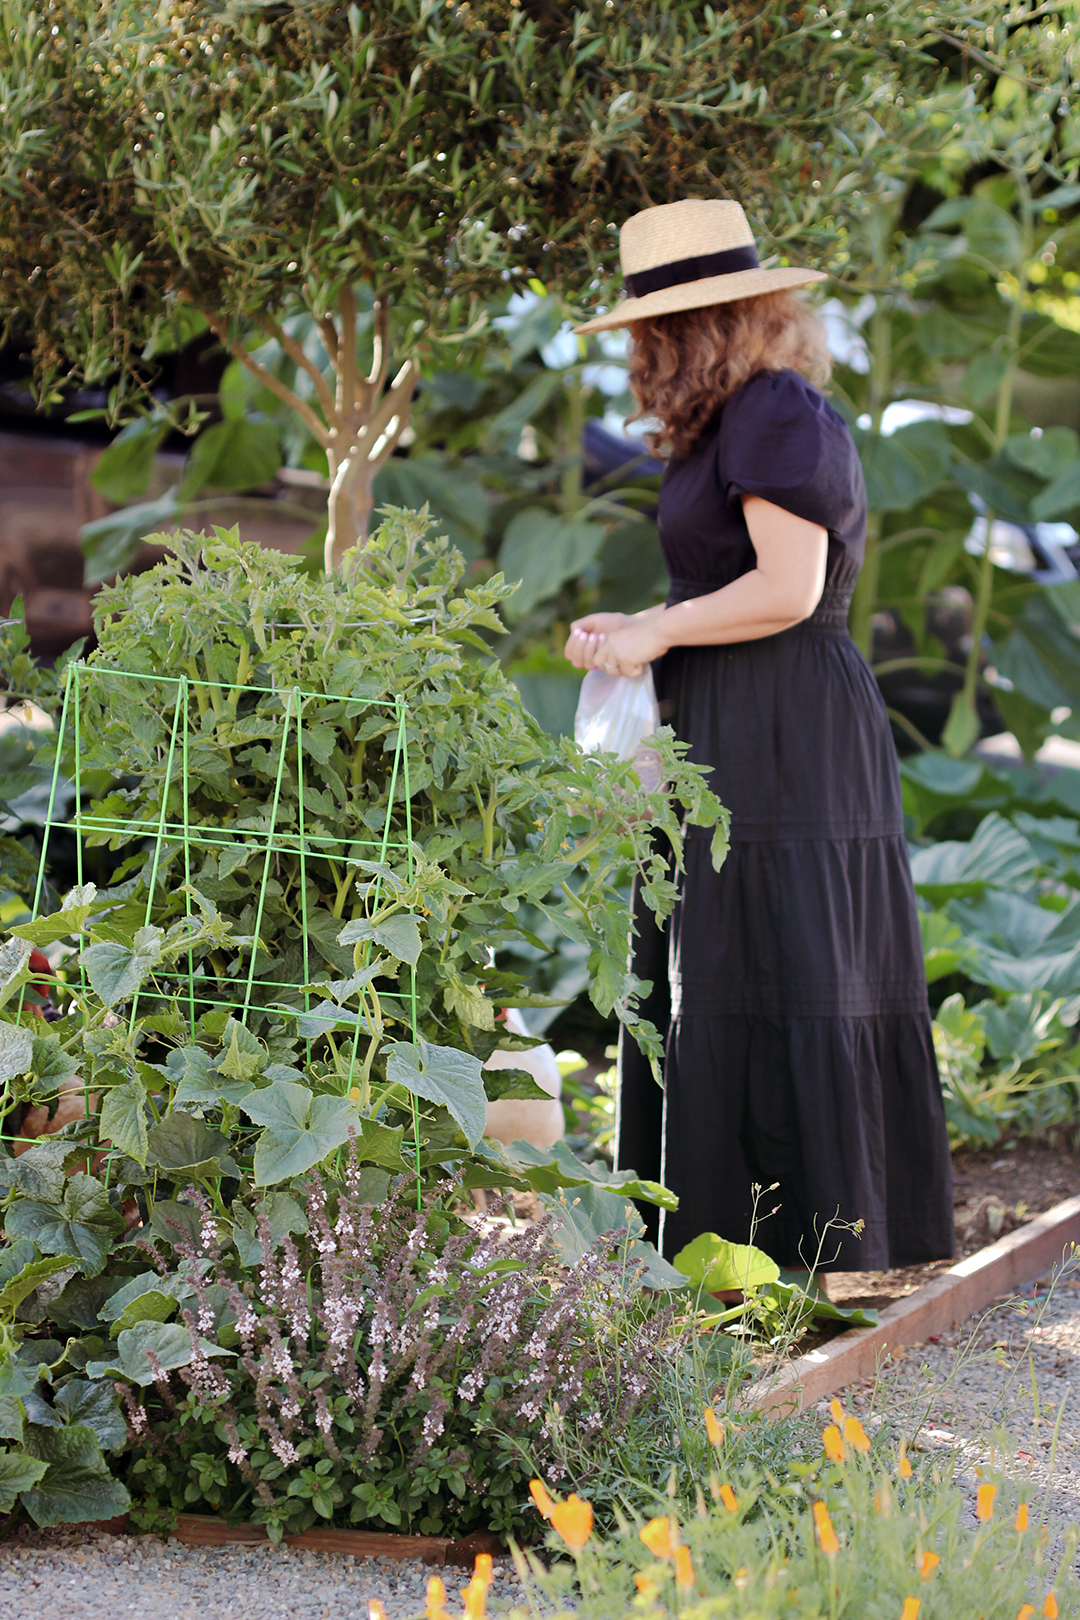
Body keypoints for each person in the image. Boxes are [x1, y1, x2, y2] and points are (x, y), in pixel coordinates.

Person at [565, 199, 954, 1272]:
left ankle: (810, 1244)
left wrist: (659, 627)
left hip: (787, 723)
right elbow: (718, 582)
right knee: (725, 964)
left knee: (778, 957)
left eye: (655, 327)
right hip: (729, 712)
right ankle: (719, 1247)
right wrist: (632, 628)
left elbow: (790, 588)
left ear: (702, 322)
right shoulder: (729, 417)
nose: (643, 348)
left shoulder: (776, 410)